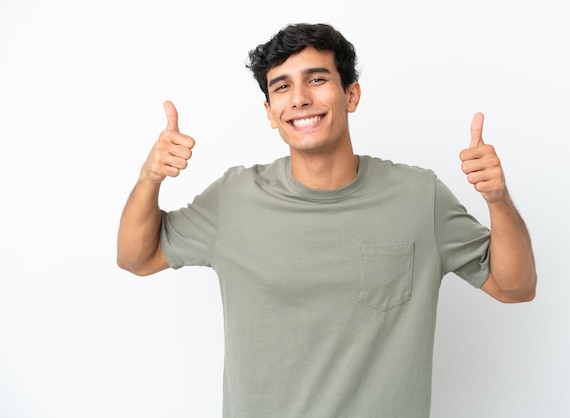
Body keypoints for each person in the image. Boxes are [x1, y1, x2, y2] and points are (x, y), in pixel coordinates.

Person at [117, 23, 536, 418]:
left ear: (351, 95)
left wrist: (497, 200)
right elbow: (138, 257)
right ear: (270, 111)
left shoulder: (418, 196)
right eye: (282, 87)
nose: (298, 98)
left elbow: (515, 288)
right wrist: (149, 178)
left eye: (316, 80)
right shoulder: (234, 198)